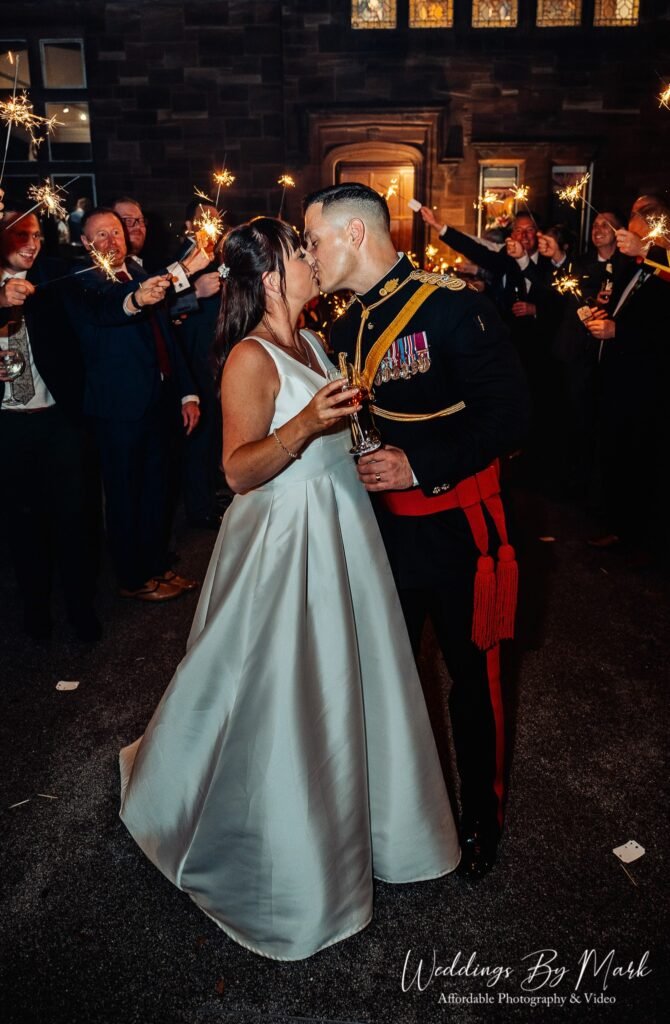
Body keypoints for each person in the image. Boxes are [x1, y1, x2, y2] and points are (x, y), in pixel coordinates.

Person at [119, 217, 460, 961]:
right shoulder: (250, 356)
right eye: (300, 254)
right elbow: (236, 471)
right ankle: (269, 846)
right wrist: (309, 422)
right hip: (285, 539)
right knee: (280, 688)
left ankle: (371, 823)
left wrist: (359, 432)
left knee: (352, 678)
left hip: (340, 526)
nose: (312, 262)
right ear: (270, 274)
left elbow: (330, 427)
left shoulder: (314, 340)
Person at [304, 184, 529, 877]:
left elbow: (513, 418)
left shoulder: (455, 308)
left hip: (459, 530)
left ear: (351, 235)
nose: (309, 255)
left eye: (312, 241)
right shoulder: (347, 327)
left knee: (473, 682)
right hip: (384, 538)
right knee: (388, 678)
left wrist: (420, 465)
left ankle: (481, 822)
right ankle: (399, 817)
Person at [67, 207, 204, 601]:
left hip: (158, 400)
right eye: (102, 236)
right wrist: (135, 299)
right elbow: (111, 307)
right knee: (126, 495)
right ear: (85, 244)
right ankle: (132, 578)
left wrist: (187, 392)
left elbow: (167, 340)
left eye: (116, 233)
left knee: (157, 490)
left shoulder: (141, 275)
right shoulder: (84, 284)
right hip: (117, 410)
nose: (113, 242)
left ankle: (157, 565)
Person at [0, 208, 100, 641]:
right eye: (20, 235)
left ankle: (80, 611)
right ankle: (35, 614)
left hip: (58, 421)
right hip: (8, 427)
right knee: (23, 526)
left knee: (73, 521)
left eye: (37, 234)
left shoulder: (53, 279)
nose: (32, 243)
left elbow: (99, 292)